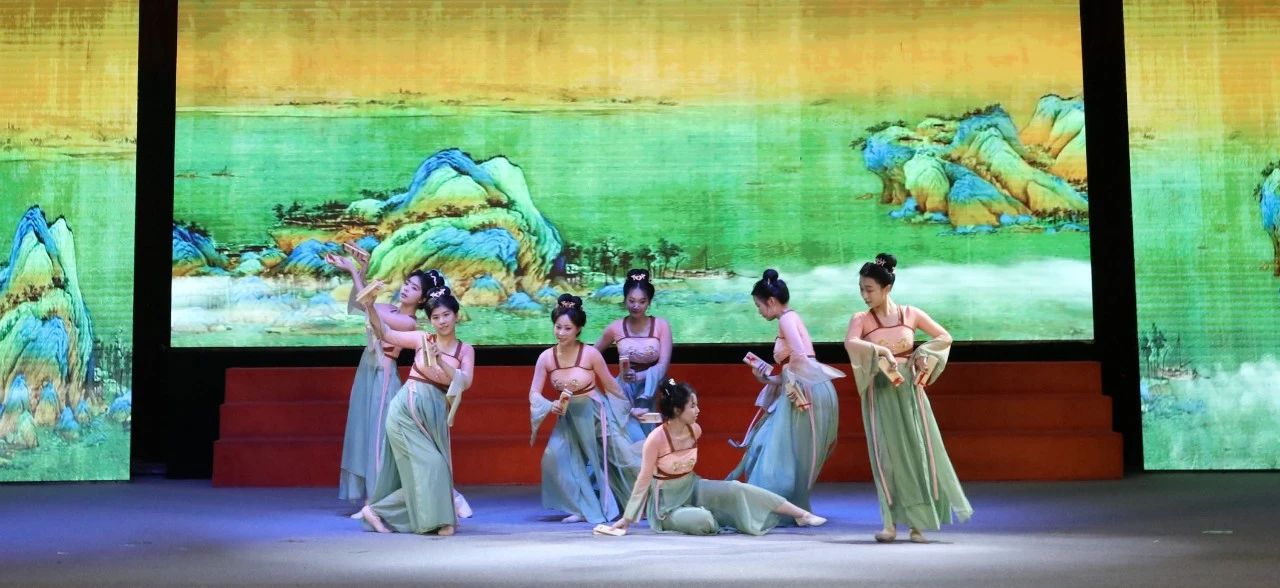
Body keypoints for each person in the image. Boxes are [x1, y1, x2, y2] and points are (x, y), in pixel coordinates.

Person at [844, 253, 972, 543]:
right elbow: (850, 342)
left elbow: (944, 337)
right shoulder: (861, 319)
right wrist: (880, 350)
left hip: (910, 392)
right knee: (886, 456)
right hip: (880, 392)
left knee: (918, 452)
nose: (864, 295)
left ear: (887, 288)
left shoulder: (910, 314)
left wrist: (921, 354)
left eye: (869, 289)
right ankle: (889, 524)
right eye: (861, 289)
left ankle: (918, 524)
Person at [609, 380, 826, 536]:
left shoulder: (695, 430)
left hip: (692, 487)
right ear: (676, 410)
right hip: (667, 507)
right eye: (692, 406)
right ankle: (710, 515)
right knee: (704, 521)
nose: (698, 410)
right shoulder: (656, 439)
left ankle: (800, 514)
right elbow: (644, 480)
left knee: (735, 488)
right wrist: (627, 519)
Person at [357, 282, 474, 536]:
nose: (442, 321)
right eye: (435, 317)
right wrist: (371, 308)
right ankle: (440, 520)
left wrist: (440, 359)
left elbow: (464, 381)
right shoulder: (423, 339)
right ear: (430, 320)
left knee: (430, 471)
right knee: (434, 466)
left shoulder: (465, 350)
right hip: (406, 411)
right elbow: (386, 333)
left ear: (456, 315)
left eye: (446, 315)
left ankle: (377, 510)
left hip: (434, 413)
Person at [727, 269, 844, 519]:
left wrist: (791, 384)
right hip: (802, 384)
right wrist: (766, 378)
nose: (759, 311)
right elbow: (795, 364)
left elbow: (800, 356)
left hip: (804, 388)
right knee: (769, 443)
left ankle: (771, 506)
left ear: (771, 301)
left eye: (759, 306)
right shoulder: (789, 318)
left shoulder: (786, 319)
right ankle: (781, 506)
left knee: (777, 449)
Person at [327, 247, 428, 508]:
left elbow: (368, 307)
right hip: (366, 370)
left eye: (414, 288)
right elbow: (357, 305)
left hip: (383, 376)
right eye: (407, 283)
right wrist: (362, 269)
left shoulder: (409, 323)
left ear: (422, 299)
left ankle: (375, 500)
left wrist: (354, 270)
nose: (406, 289)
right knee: (362, 429)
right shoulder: (387, 308)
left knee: (378, 436)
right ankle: (369, 498)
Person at [529, 294, 639, 524]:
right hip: (568, 416)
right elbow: (534, 393)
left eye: (567, 328)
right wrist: (550, 405)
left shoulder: (590, 354)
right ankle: (580, 507)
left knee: (623, 458)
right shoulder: (546, 358)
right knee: (553, 458)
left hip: (595, 414)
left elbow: (611, 386)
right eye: (558, 327)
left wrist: (627, 411)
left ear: (578, 329)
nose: (561, 332)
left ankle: (639, 502)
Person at [593, 269, 673, 440]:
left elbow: (663, 365)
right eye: (631, 301)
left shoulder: (661, 325)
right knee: (624, 434)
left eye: (642, 301)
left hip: (652, 385)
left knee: (649, 433)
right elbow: (591, 355)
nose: (636, 306)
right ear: (624, 300)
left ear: (649, 302)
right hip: (625, 386)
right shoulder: (615, 327)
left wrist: (639, 376)